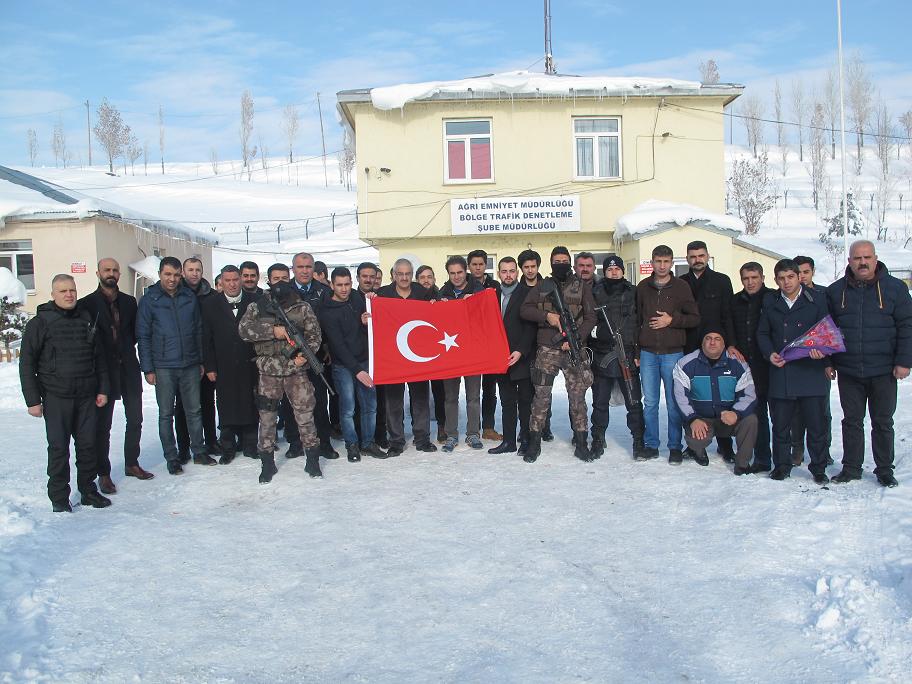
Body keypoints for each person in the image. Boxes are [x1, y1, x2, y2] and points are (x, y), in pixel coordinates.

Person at [20, 274, 112, 511]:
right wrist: (33, 400)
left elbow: (99, 357)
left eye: (71, 290)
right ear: (53, 295)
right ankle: (59, 498)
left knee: (87, 446)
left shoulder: (86, 318)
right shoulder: (40, 323)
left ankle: (88, 491)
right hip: (56, 396)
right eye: (63, 291)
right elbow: (27, 364)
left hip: (86, 396)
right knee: (59, 448)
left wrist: (102, 388)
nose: (69, 295)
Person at [827, 240, 912, 488]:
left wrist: (904, 361)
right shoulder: (836, 292)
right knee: (851, 421)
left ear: (875, 259)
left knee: (882, 422)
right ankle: (851, 467)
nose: (862, 262)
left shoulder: (896, 289)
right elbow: (828, 331)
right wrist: (829, 361)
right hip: (849, 370)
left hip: (884, 370)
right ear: (850, 261)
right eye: (857, 258)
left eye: (866, 257)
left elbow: (907, 325)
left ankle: (884, 469)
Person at [78, 258, 152, 495]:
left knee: (135, 419)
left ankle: (132, 462)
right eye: (107, 270)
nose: (111, 274)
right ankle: (104, 473)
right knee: (103, 425)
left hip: (128, 367)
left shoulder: (130, 302)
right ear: (98, 272)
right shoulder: (87, 304)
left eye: (115, 270)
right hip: (103, 372)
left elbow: (136, 333)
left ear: (119, 274)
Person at [239, 280, 324, 482]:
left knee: (305, 417)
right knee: (267, 419)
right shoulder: (257, 306)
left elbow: (314, 336)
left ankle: (312, 460)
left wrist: (305, 356)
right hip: (268, 372)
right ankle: (267, 463)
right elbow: (244, 331)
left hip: (297, 371)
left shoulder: (302, 307)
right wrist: (272, 331)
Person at [758, 259, 832, 483]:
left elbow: (827, 331)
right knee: (780, 424)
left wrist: (824, 354)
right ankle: (782, 465)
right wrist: (769, 353)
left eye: (790, 277)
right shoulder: (770, 302)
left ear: (799, 277)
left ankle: (818, 467)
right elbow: (762, 333)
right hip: (782, 370)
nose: (786, 282)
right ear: (775, 280)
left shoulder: (817, 300)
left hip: (811, 370)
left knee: (816, 425)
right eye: (781, 278)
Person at [137, 257, 214, 474]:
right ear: (160, 274)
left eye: (176, 275)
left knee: (194, 411)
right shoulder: (150, 299)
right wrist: (148, 368)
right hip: (163, 366)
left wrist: (200, 360)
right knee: (165, 414)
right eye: (167, 274)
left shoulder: (188, 296)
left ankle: (198, 451)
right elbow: (143, 335)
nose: (172, 279)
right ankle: (172, 457)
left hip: (189, 363)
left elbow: (198, 330)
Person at [520, 246, 596, 462]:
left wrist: (575, 339)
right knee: (541, 397)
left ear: (569, 263)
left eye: (564, 261)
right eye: (557, 261)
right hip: (547, 349)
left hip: (573, 349)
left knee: (577, 398)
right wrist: (547, 317)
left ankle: (581, 443)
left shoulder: (580, 286)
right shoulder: (543, 286)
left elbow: (591, 318)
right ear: (551, 263)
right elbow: (525, 310)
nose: (560, 264)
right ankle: (534, 443)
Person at [636, 245, 700, 463]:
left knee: (674, 402)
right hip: (647, 353)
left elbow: (694, 318)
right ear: (652, 262)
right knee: (651, 402)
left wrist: (671, 321)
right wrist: (637, 350)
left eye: (666, 261)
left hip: (673, 353)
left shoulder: (681, 287)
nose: (662, 266)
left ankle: (675, 446)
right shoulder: (643, 287)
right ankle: (651, 444)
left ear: (672, 263)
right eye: (658, 261)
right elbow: (637, 321)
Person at [320, 267, 387, 462]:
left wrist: (365, 322)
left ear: (352, 283)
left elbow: (365, 328)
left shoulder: (358, 300)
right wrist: (357, 371)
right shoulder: (327, 312)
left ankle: (368, 443)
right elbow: (338, 346)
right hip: (343, 366)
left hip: (365, 360)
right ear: (332, 285)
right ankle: (352, 444)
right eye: (339, 285)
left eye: (347, 284)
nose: (343, 289)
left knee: (370, 405)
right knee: (348, 407)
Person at [680, 240, 739, 461]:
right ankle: (695, 443)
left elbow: (728, 315)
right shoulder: (681, 282)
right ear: (687, 259)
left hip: (716, 346)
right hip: (690, 345)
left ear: (707, 256)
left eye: (701, 255)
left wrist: (730, 343)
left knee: (722, 394)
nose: (697, 259)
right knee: (693, 395)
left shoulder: (721, 281)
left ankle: (725, 444)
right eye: (693, 256)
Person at [673, 327, 758, 474]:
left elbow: (749, 394)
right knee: (696, 439)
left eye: (717, 339)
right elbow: (681, 396)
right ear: (702, 342)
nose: (712, 342)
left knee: (751, 420)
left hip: (728, 418)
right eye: (708, 338)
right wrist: (693, 419)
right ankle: (697, 451)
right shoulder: (686, 363)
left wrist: (736, 414)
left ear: (724, 344)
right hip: (701, 420)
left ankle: (743, 464)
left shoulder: (738, 363)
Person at [376, 258, 437, 456]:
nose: (404, 277)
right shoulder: (382, 294)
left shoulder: (422, 292)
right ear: (393, 275)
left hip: (417, 356)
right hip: (392, 357)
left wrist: (438, 305)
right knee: (393, 401)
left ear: (412, 275)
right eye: (400, 274)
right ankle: (396, 440)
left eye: (407, 274)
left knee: (420, 399)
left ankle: (422, 438)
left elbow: (438, 312)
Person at [589, 255, 645, 459]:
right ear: (604, 272)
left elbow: (641, 322)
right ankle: (597, 438)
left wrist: (638, 352)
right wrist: (597, 333)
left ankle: (638, 441)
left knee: (634, 402)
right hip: (602, 353)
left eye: (617, 269)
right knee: (600, 402)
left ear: (622, 271)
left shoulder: (633, 292)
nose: (614, 272)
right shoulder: (596, 292)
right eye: (610, 269)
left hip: (627, 353)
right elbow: (588, 320)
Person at [201, 265, 259, 464]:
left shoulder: (254, 301)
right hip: (223, 363)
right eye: (228, 280)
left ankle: (250, 444)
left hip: (249, 362)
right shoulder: (210, 304)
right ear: (221, 282)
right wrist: (209, 366)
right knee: (225, 404)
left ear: (241, 280)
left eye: (235, 280)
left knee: (250, 402)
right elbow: (205, 338)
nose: (232, 284)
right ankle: (228, 446)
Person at [290, 252, 338, 459]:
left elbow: (330, 323)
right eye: (300, 267)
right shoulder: (284, 291)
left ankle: (324, 442)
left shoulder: (324, 292)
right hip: (291, 356)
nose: (304, 270)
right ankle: (295, 443)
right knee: (292, 401)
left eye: (308, 267)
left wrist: (327, 346)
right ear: (293, 269)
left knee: (319, 400)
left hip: (318, 355)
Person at [729, 262, 775, 473]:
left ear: (762, 278)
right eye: (746, 278)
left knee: (781, 415)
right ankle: (763, 459)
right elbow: (729, 327)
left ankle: (787, 456)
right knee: (757, 414)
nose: (750, 282)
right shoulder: (736, 301)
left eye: (754, 278)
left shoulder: (773, 298)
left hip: (772, 364)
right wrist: (730, 344)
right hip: (747, 367)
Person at [489, 256, 536, 455]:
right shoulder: (491, 295)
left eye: (511, 271)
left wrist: (520, 351)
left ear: (517, 273)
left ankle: (525, 439)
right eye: (504, 271)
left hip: (522, 357)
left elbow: (531, 326)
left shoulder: (527, 293)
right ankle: (509, 441)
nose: (508, 275)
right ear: (499, 273)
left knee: (525, 402)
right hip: (501, 358)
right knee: (507, 402)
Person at [439, 255, 486, 451]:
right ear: (448, 273)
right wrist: (436, 305)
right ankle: (451, 435)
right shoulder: (443, 291)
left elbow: (486, 317)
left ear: (465, 270)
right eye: (452, 273)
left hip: (473, 352)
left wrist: (476, 301)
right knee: (450, 397)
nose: (456, 276)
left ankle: (473, 433)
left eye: (459, 272)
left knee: (473, 396)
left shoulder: (478, 289)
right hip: (450, 352)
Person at [175, 257, 219, 458]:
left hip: (206, 356)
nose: (194, 273)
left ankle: (210, 441)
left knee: (207, 402)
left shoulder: (209, 295)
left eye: (198, 270)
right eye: (190, 269)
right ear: (183, 272)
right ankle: (184, 446)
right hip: (184, 358)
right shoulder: (177, 294)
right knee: (183, 406)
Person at [790, 255, 832, 466]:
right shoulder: (787, 296)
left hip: (818, 362)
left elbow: (831, 329)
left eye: (805, 272)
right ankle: (796, 449)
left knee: (821, 411)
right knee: (796, 411)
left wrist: (828, 361)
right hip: (795, 362)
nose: (802, 277)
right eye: (798, 273)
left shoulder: (824, 294)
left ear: (812, 272)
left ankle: (824, 451)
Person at [517, 249, 552, 442]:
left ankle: (545, 426)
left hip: (544, 341)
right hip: (525, 342)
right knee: (527, 389)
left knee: (544, 386)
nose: (530, 270)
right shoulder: (518, 288)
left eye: (533, 266)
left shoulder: (547, 286)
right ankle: (527, 427)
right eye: (526, 267)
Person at [468, 249, 502, 441]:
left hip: (489, 344)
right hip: (467, 345)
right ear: (469, 266)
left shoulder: (495, 286)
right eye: (474, 264)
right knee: (468, 391)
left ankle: (488, 427)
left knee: (489, 388)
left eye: (481, 264)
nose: (478, 267)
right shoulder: (461, 284)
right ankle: (470, 428)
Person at [353, 261, 388, 448]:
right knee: (359, 400)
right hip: (358, 357)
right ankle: (361, 437)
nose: (368, 279)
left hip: (379, 356)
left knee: (379, 399)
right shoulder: (349, 297)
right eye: (364, 276)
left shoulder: (381, 298)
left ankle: (380, 434)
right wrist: (360, 322)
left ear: (376, 278)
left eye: (371, 276)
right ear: (358, 277)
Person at [415, 264, 446, 440]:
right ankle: (419, 428)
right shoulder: (411, 296)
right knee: (418, 392)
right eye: (422, 277)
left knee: (439, 391)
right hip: (416, 350)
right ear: (417, 280)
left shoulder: (441, 296)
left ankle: (442, 425)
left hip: (437, 351)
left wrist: (442, 306)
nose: (426, 280)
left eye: (429, 277)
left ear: (434, 279)